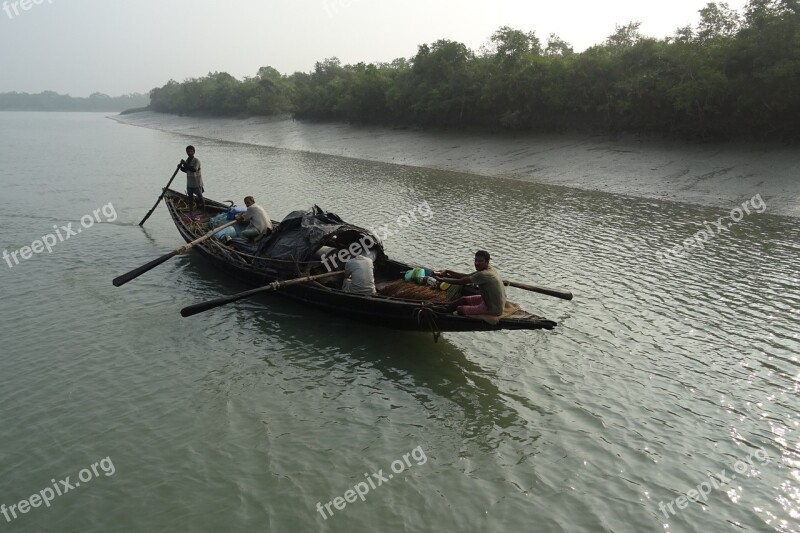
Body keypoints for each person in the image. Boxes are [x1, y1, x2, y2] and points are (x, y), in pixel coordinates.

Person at [434, 250, 506, 316]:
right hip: (488, 300)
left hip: (492, 309)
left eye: (480, 261)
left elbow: (461, 281)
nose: (477, 263)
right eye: (476, 260)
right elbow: (466, 276)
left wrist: (441, 279)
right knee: (463, 299)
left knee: (460, 309)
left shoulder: (484, 274)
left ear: (487, 262)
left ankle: (443, 312)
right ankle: (445, 308)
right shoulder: (488, 268)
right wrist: (447, 271)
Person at [179, 145, 205, 214]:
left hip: (197, 183)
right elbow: (187, 170)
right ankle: (191, 212)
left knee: (200, 197)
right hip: (189, 183)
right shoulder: (187, 160)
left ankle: (204, 211)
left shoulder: (196, 161)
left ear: (194, 152)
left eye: (191, 151)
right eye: (188, 151)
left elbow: (193, 169)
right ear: (186, 152)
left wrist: (184, 163)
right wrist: (181, 167)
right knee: (190, 198)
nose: (189, 153)